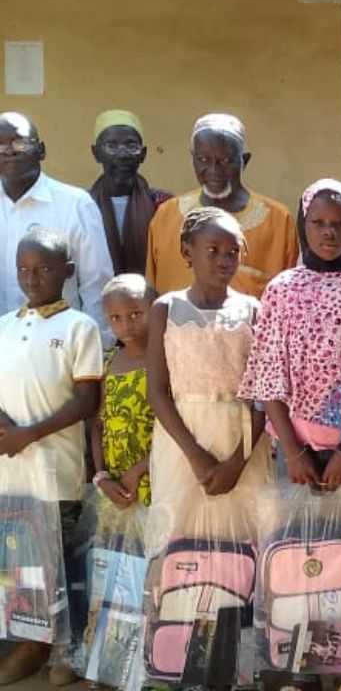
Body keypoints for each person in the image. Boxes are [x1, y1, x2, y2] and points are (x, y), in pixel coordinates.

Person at [239, 179, 341, 501]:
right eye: (318, 222)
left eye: (339, 223)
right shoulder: (282, 290)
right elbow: (268, 379)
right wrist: (293, 452)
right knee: (294, 533)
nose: (328, 232)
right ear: (302, 224)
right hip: (293, 452)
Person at [0, 228, 103, 686]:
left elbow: (85, 401)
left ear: (68, 271)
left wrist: (28, 434)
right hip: (10, 470)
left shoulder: (79, 326)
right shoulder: (4, 325)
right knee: (19, 562)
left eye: (44, 268)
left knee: (57, 560)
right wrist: (9, 432)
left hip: (55, 468)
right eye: (23, 269)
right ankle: (30, 642)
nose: (32, 278)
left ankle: (64, 647)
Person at [145, 206, 272, 552]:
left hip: (240, 441)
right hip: (183, 441)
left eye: (233, 252)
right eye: (213, 250)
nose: (224, 260)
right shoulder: (166, 309)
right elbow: (157, 391)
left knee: (243, 543)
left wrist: (238, 461)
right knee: (182, 541)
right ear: (188, 252)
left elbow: (263, 393)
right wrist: (195, 456)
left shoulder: (253, 310)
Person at [144, 113, 298, 298]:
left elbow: (291, 295)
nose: (214, 170)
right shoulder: (167, 216)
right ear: (193, 158)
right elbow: (151, 292)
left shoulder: (278, 220)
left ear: (244, 160)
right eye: (203, 160)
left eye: (225, 161)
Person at [0, 111, 113, 341]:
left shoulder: (75, 204)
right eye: (0, 145)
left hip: (59, 347)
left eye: (20, 142)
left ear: (41, 150)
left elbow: (96, 286)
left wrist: (98, 348)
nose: (9, 151)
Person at [91, 274, 157, 509]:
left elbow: (177, 430)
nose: (126, 325)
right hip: (116, 485)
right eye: (115, 318)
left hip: (157, 479)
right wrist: (102, 477)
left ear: (156, 311)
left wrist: (138, 470)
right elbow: (99, 424)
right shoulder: (109, 361)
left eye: (136, 314)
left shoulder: (166, 360)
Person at [88, 109, 173, 275]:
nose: (122, 155)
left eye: (131, 146)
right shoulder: (83, 206)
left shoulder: (163, 205)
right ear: (96, 153)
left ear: (143, 154)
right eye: (111, 146)